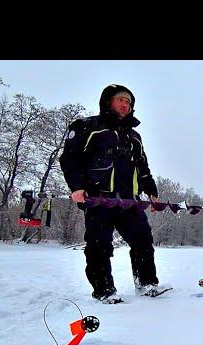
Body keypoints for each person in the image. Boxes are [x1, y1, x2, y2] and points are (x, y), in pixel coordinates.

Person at [59, 84, 167, 303]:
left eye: (129, 102)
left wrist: (153, 194)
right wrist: (77, 187)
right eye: (121, 100)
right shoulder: (87, 127)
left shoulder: (134, 136)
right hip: (99, 199)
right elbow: (69, 159)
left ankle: (147, 284)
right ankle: (104, 291)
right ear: (108, 101)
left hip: (130, 202)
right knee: (99, 245)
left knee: (143, 241)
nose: (125, 104)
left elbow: (143, 169)